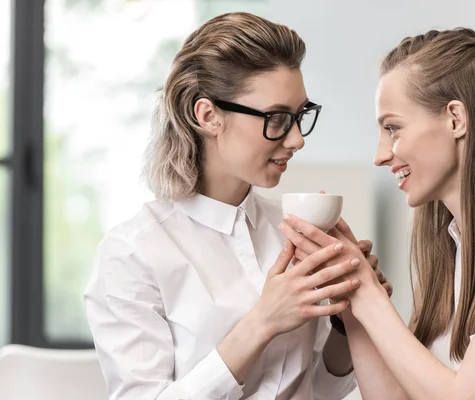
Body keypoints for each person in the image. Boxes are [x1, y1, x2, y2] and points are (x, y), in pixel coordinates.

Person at [84, 12, 391, 400]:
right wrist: (262, 322)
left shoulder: (293, 229)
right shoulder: (132, 253)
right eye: (278, 118)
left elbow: (322, 390)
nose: (297, 139)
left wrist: (349, 319)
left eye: (300, 117)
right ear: (208, 115)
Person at [281, 28, 475, 399]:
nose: (380, 154)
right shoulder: (452, 246)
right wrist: (352, 294)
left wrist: (369, 294)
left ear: (455, 120)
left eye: (392, 128)